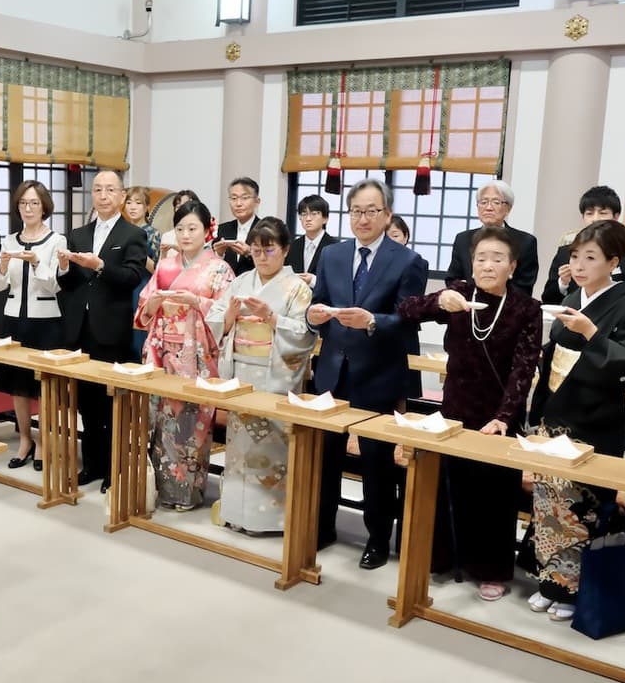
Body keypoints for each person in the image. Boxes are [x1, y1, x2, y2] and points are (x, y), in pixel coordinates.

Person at [398, 226, 541, 599]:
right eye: (481, 258)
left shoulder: (527, 308)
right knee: (450, 485)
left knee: (494, 493)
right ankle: (443, 559)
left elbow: (523, 370)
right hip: (455, 407)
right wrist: (438, 302)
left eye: (497, 259)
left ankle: (490, 570)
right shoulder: (459, 294)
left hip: (498, 414)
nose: (487, 265)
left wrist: (505, 417)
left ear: (513, 266)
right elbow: (406, 308)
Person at [527, 220, 625, 621]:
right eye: (575, 256)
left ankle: (575, 591)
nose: (579, 265)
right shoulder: (573, 296)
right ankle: (549, 581)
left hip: (596, 416)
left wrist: (592, 333)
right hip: (558, 409)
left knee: (582, 506)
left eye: (591, 257)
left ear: (614, 261)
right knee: (548, 502)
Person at [308, 177, 428, 569]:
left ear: (387, 214)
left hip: (378, 373)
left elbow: (408, 321)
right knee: (324, 456)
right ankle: (323, 526)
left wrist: (373, 322)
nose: (362, 218)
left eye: (372, 211)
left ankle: (377, 539)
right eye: (356, 211)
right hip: (332, 370)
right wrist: (313, 318)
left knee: (377, 464)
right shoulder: (333, 256)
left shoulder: (408, 261)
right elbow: (320, 306)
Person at [206, 217, 318, 534]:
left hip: (275, 375)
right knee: (240, 446)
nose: (261, 256)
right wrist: (229, 316)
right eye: (256, 250)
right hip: (241, 371)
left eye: (269, 249)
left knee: (269, 447)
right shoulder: (241, 282)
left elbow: (305, 335)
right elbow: (216, 322)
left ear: (285, 251)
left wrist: (272, 318)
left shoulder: (297, 288)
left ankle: (267, 519)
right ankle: (235, 512)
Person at [135, 201, 234, 511]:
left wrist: (196, 302)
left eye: (193, 228)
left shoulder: (219, 268)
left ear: (207, 231)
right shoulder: (166, 265)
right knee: (159, 423)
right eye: (180, 229)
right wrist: (154, 304)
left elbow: (226, 317)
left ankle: (186, 492)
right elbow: (144, 308)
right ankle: (159, 488)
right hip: (162, 352)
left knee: (190, 426)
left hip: (197, 356)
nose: (186, 235)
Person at [57, 169, 149, 493]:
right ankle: (92, 465)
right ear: (92, 195)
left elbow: (133, 276)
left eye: (111, 190)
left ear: (122, 196)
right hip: (79, 329)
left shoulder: (132, 234)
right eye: (98, 189)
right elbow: (67, 285)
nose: (104, 195)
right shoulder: (77, 234)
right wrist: (65, 267)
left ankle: (114, 468)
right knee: (86, 404)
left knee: (112, 406)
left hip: (111, 329)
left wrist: (100, 266)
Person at [0, 181, 66, 470]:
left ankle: (44, 442)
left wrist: (36, 262)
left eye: (34, 203)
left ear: (44, 206)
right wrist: (0, 266)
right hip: (13, 319)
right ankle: (25, 439)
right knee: (18, 386)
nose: (29, 208)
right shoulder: (9, 240)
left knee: (43, 386)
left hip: (46, 321)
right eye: (24, 203)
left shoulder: (56, 241)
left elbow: (55, 284)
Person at [541, 186, 625, 306]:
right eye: (589, 213)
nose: (595, 219)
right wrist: (563, 283)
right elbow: (548, 300)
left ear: (616, 216)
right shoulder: (565, 252)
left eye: (602, 213)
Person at [445, 181, 539, 296]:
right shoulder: (463, 239)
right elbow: (452, 279)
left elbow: (524, 286)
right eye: (483, 202)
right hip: (468, 306)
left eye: (496, 202)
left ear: (508, 208)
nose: (488, 208)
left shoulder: (525, 242)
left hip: (508, 308)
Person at [124, 185, 162, 357]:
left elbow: (156, 268)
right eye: (129, 202)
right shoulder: (122, 231)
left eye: (138, 203)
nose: (132, 207)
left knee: (139, 333)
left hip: (142, 287)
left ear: (147, 207)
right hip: (123, 285)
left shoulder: (153, 233)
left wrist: (139, 253)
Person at [289, 193, 339, 287]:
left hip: (322, 300)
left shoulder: (335, 247)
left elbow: (337, 282)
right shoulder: (293, 245)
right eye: (304, 214)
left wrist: (313, 281)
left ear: (325, 218)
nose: (308, 219)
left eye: (314, 214)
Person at [213, 177, 261, 276]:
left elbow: (273, 257)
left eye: (245, 198)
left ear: (257, 201)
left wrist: (250, 253)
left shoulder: (266, 230)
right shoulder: (222, 229)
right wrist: (219, 254)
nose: (238, 204)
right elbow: (213, 269)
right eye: (234, 198)